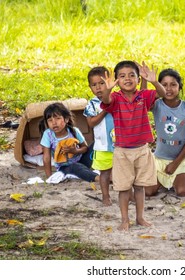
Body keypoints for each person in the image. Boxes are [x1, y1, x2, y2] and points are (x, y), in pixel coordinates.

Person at [100, 60, 166, 231]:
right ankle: (124, 219)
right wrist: (107, 89)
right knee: (123, 188)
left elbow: (163, 93)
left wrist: (154, 81)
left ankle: (140, 217)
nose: (127, 79)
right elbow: (106, 100)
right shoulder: (115, 98)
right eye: (122, 76)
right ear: (116, 80)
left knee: (140, 186)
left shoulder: (143, 96)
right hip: (122, 152)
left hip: (142, 150)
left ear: (138, 78)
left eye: (132, 75)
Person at [145, 68, 185, 197]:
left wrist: (175, 163)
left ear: (180, 87)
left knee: (182, 191)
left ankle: (178, 177)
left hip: (182, 160)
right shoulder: (156, 105)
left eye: (173, 84)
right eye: (164, 85)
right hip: (159, 159)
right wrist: (147, 81)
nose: (169, 89)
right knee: (148, 191)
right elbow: (143, 101)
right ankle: (163, 180)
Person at [40, 102, 99, 184]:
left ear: (66, 119)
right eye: (50, 120)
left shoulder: (74, 131)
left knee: (97, 143)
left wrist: (75, 151)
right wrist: (49, 177)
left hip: (81, 160)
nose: (54, 123)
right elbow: (46, 157)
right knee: (76, 167)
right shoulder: (48, 134)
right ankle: (97, 178)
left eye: (57, 118)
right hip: (65, 167)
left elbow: (85, 148)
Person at [83, 66, 115, 206]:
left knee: (124, 172)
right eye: (94, 85)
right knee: (104, 173)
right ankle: (106, 196)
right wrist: (104, 111)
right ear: (90, 87)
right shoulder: (92, 104)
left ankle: (129, 195)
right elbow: (91, 123)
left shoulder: (118, 99)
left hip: (120, 144)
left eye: (102, 83)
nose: (98, 88)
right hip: (102, 145)